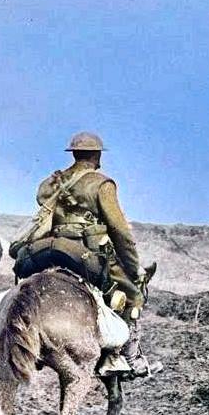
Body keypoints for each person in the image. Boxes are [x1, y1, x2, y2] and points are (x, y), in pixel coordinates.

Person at [13, 132, 152, 376]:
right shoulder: (102, 184)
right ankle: (125, 357)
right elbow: (119, 230)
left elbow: (41, 200)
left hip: (49, 248)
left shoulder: (54, 181)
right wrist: (133, 267)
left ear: (74, 154)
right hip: (85, 251)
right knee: (132, 292)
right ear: (97, 155)